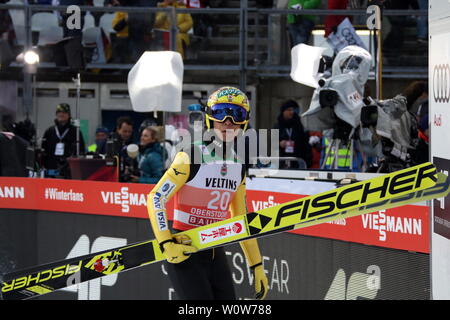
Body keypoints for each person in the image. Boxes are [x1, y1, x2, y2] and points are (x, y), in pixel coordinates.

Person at [146, 86, 269, 300]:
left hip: (215, 250)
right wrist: (166, 242)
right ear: (210, 118)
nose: (228, 122)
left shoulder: (239, 164)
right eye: (221, 113)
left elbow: (241, 220)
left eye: (236, 114)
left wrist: (256, 264)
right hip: (184, 249)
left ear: (244, 122)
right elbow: (156, 197)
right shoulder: (190, 156)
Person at [41, 103, 86, 178]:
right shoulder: (49, 131)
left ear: (69, 115)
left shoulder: (76, 132)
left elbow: (81, 151)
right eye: (59, 112)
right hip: (51, 170)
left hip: (69, 172)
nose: (61, 114)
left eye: (64, 112)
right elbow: (44, 151)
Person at [273, 100, 312, 169]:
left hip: (298, 159)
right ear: (283, 111)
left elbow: (305, 142)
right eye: (289, 110)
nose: (291, 112)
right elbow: (272, 143)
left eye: (292, 110)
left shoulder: (299, 124)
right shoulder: (277, 126)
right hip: (282, 159)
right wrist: (279, 144)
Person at [111, 116, 135, 181]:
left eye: (129, 132)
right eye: (124, 131)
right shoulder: (110, 143)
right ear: (118, 129)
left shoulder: (131, 143)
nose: (127, 134)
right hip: (112, 178)